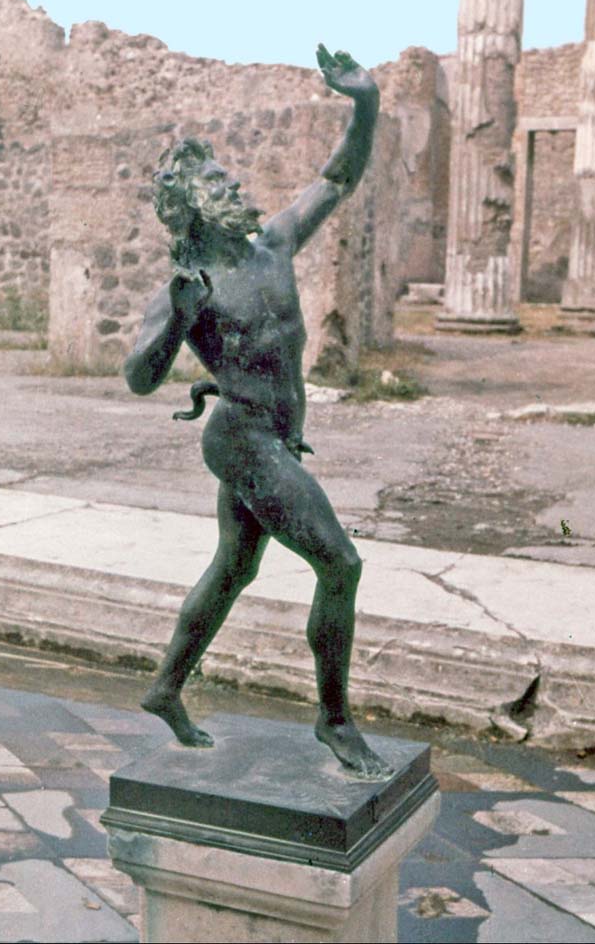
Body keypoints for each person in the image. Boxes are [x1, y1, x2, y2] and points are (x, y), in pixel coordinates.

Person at [124, 45, 392, 778]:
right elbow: (139, 379)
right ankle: (334, 721)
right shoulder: (191, 283)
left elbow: (335, 178)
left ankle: (165, 687)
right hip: (241, 439)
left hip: (273, 435)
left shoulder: (272, 246)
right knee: (339, 565)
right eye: (216, 179)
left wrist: (363, 103)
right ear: (188, 206)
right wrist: (179, 322)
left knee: (232, 570)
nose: (234, 181)